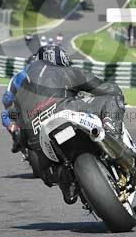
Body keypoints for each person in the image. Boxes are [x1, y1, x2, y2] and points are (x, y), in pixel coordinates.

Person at [10, 44, 127, 204]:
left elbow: (22, 139)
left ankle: (68, 184)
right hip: (66, 114)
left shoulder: (19, 93)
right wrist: (115, 92)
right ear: (62, 59)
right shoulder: (64, 71)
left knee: (49, 170)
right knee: (112, 100)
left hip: (43, 144)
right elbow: (106, 89)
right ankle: (115, 142)